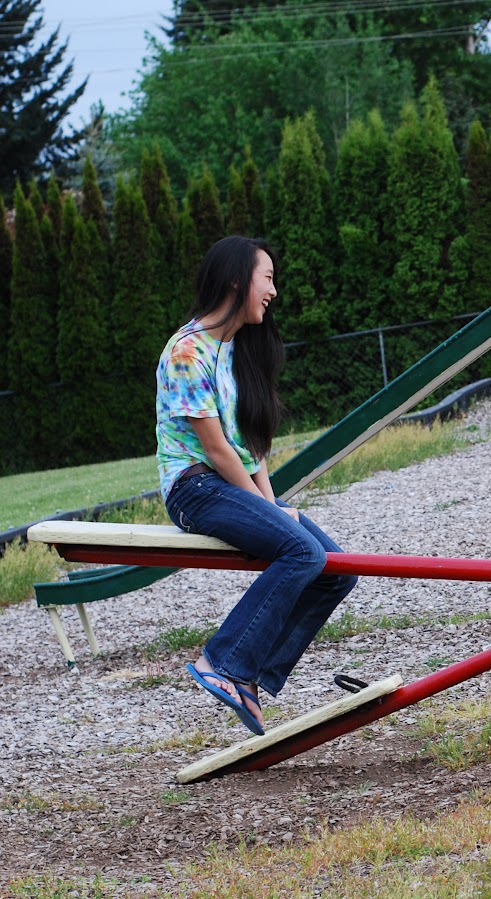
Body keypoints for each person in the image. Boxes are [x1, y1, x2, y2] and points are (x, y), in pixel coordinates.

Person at [156, 236, 357, 735]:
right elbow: (217, 451)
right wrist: (269, 511)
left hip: (228, 482)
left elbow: (250, 449)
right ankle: (221, 662)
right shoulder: (187, 351)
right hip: (194, 488)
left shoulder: (233, 351)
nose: (273, 290)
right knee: (303, 553)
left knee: (336, 569)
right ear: (236, 279)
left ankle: (250, 676)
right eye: (267, 278)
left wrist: (272, 507)